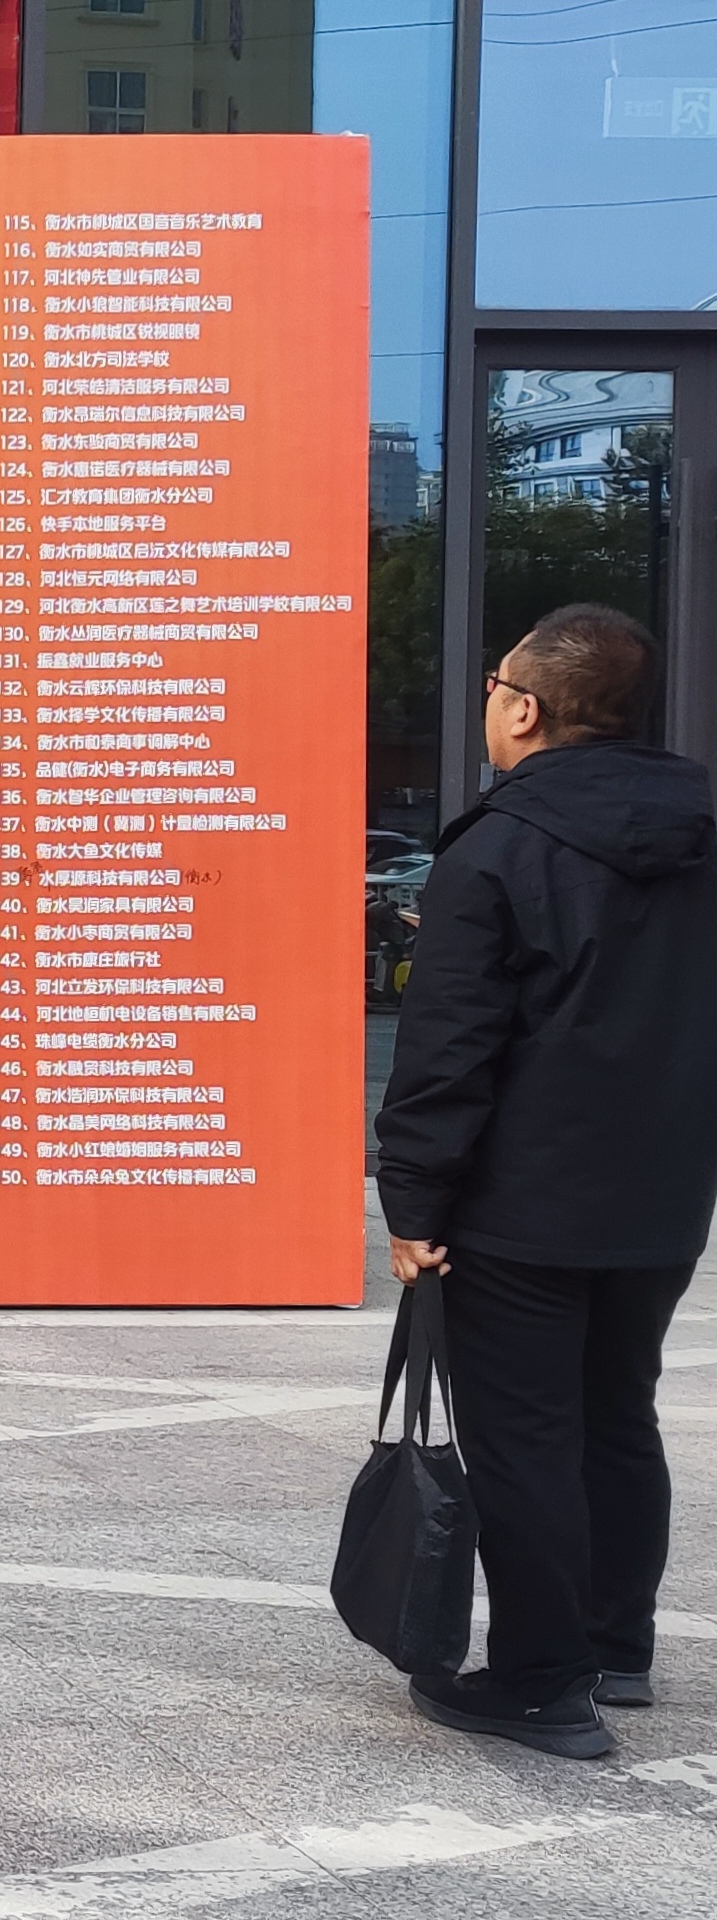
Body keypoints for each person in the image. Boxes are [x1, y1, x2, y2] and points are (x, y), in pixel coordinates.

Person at [378, 602, 717, 1761]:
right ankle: (616, 1647)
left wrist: (414, 1202)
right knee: (618, 1415)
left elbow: (448, 1050)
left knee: (525, 1437)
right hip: (661, 1201)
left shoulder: (497, 848)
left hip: (519, 1204)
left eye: (492, 688)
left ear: (523, 709)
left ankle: (540, 1682)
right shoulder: (701, 837)